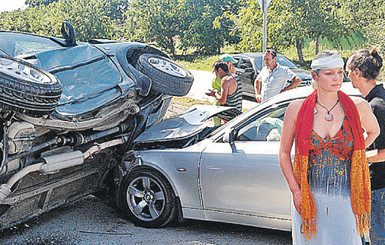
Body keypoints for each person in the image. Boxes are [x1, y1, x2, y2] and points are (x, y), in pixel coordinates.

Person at [279, 50, 380, 244]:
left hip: (345, 198)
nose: (336, 78)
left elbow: (374, 131)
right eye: (329, 73)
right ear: (315, 76)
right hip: (308, 196)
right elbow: (284, 154)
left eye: (340, 72)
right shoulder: (296, 109)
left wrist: (357, 153)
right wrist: (296, 192)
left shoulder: (358, 106)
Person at [346, 48, 385, 245]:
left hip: (379, 186)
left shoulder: (376, 106)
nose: (347, 78)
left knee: (378, 238)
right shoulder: (377, 99)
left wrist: (353, 157)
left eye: (347, 72)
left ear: (357, 73)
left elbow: (383, 153)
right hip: (378, 185)